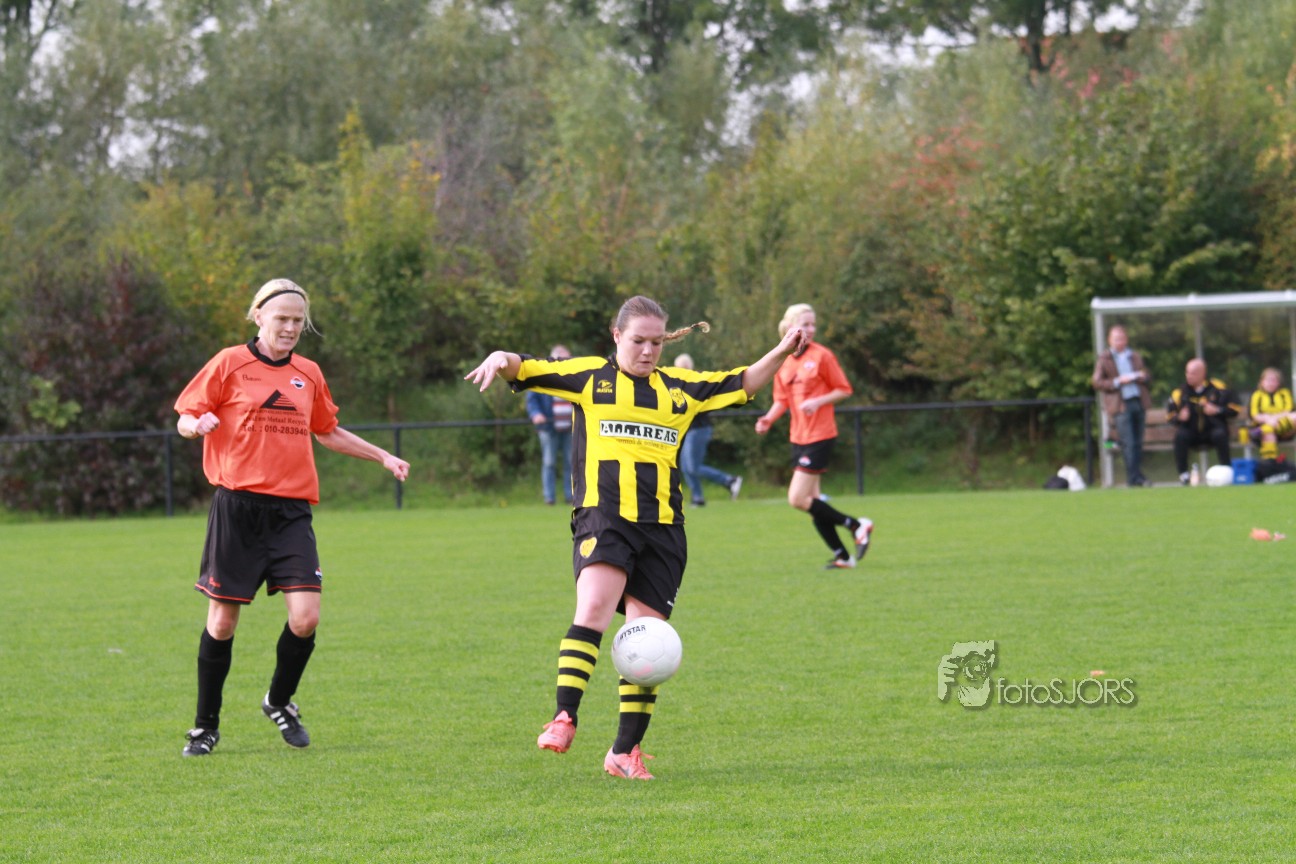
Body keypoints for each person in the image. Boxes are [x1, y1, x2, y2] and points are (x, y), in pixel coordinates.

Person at [464, 295, 807, 781]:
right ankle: (564, 716)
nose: (648, 351)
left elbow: (743, 381)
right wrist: (500, 358)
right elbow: (525, 367)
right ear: (617, 336)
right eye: (638, 341)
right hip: (605, 517)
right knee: (594, 610)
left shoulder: (681, 389)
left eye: (656, 342)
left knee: (648, 639)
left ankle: (624, 751)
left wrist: (782, 350)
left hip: (664, 529)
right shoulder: (590, 377)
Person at [173, 278, 410, 757]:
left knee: (306, 618)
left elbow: (328, 431)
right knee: (222, 623)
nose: (290, 328)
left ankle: (278, 701)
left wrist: (382, 456)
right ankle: (205, 727)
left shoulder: (309, 373)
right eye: (281, 318)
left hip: (290, 512)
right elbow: (184, 417)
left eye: (298, 321)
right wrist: (196, 424)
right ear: (258, 315)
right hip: (237, 508)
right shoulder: (229, 363)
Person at [754, 303, 873, 569]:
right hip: (798, 437)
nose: (811, 329)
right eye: (805, 324)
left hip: (820, 435)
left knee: (797, 499)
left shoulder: (822, 356)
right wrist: (768, 419)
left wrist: (818, 401)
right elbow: (781, 400)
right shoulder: (783, 360)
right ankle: (843, 556)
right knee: (813, 504)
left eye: (813, 324)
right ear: (790, 326)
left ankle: (857, 525)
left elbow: (844, 389)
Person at [671, 353, 742, 507]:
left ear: (688, 366)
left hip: (699, 429)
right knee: (686, 468)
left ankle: (729, 480)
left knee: (693, 467)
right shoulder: (679, 384)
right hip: (688, 430)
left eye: (681, 367)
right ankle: (698, 498)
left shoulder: (696, 382)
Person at [1092, 325, 1152, 487]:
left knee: (1138, 442)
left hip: (1138, 401)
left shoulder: (1134, 356)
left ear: (1126, 340)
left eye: (1122, 338)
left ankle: (1136, 476)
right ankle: (1134, 478)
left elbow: (1147, 375)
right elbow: (1097, 382)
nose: (1119, 342)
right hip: (1120, 405)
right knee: (1129, 442)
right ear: (1109, 340)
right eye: (1116, 339)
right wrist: (1118, 381)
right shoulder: (1104, 359)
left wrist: (1142, 376)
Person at [1166, 358, 1242, 485]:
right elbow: (1169, 416)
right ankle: (1184, 475)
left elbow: (1235, 409)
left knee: (1220, 434)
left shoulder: (1218, 388)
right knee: (1180, 436)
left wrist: (1217, 410)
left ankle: (1227, 471)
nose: (1188, 376)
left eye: (1193, 373)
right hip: (1191, 433)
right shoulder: (1180, 392)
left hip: (1212, 431)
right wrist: (1179, 417)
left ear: (1202, 373)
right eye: (1187, 372)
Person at [525, 344, 575, 505]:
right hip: (548, 428)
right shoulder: (542, 376)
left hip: (570, 427)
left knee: (571, 462)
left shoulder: (574, 376)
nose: (567, 361)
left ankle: (571, 496)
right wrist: (536, 414)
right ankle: (549, 497)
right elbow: (532, 400)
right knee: (549, 462)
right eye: (563, 359)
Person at [1246, 367, 1296, 461]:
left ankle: (1262, 430)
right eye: (1268, 380)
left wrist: (1273, 419)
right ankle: (1270, 463)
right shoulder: (1257, 395)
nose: (1271, 383)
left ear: (1278, 383)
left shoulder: (1284, 393)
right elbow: (1254, 415)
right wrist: (1267, 419)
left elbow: (1288, 410)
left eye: (1274, 380)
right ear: (1262, 382)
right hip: (1263, 427)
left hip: (1284, 430)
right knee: (1269, 433)